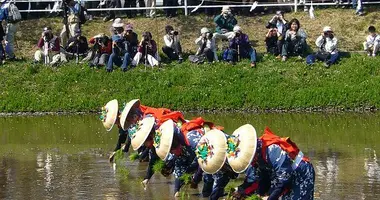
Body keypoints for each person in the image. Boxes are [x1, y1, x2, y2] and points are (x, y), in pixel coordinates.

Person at [232, 126, 315, 200]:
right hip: (283, 175)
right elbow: (262, 178)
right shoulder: (257, 158)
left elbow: (284, 179)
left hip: (300, 172)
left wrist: (270, 197)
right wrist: (259, 194)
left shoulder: (272, 150)